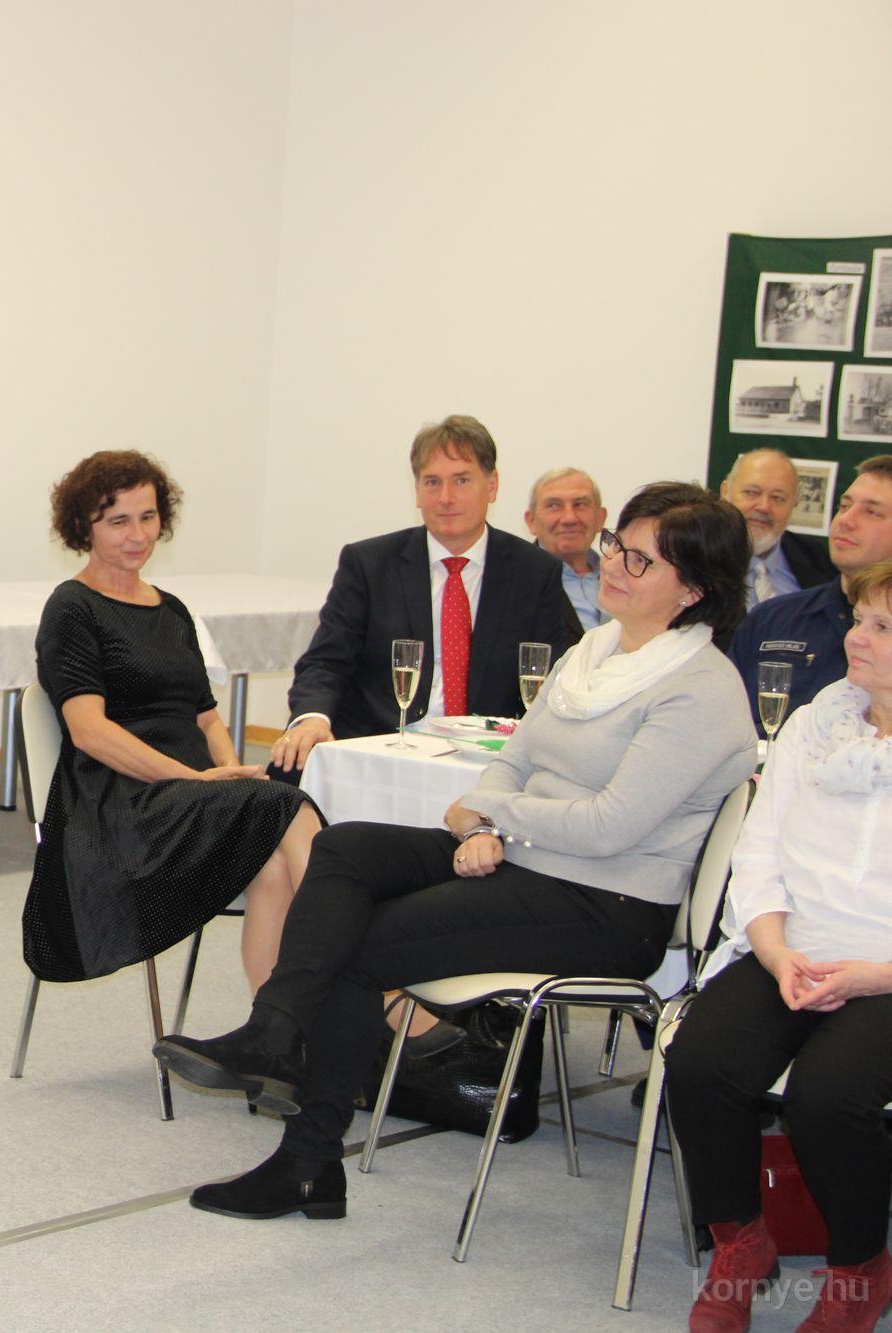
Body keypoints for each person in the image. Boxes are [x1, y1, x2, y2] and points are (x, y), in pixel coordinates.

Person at [153, 483, 755, 1224]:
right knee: (345, 848)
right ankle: (275, 1030)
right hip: (532, 860)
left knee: (357, 941)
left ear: (693, 590)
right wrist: (481, 823)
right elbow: (514, 757)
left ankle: (306, 1158)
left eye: (641, 559)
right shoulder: (594, 654)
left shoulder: (699, 689)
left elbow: (608, 827)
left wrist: (495, 817)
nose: (614, 565)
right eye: (617, 546)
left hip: (607, 903)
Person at [665, 558, 892, 1333]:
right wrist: (773, 950)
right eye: (859, 619)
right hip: (789, 947)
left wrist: (872, 975)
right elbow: (757, 854)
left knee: (827, 1096)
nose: (855, 636)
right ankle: (742, 1242)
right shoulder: (814, 724)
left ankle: (861, 1266)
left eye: (881, 627)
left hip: (887, 972)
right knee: (700, 1063)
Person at [24, 451, 323, 994]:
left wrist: (231, 773)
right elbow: (89, 731)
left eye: (148, 517)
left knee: (274, 850)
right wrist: (196, 780)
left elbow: (206, 718)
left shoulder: (172, 610)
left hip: (193, 796)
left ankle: (280, 1020)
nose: (138, 535)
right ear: (84, 528)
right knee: (289, 807)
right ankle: (378, 993)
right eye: (119, 521)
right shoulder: (72, 608)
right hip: (122, 805)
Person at [268, 415, 582, 777]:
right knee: (285, 771)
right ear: (416, 491)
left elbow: (553, 675)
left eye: (461, 480)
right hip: (380, 746)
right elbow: (325, 662)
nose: (446, 498)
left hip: (484, 758)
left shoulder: (533, 571)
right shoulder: (369, 564)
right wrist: (312, 718)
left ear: (492, 485)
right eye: (432, 482)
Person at [729, 456, 892, 725]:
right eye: (844, 506)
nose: (846, 520)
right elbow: (723, 725)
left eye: (872, 512)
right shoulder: (771, 619)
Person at [722, 447, 839, 608]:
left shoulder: (814, 558)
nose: (764, 507)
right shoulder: (696, 557)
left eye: (777, 498)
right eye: (751, 493)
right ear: (725, 492)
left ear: (794, 504)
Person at [524, 466, 609, 629]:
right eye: (554, 506)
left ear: (600, 518)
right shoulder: (513, 582)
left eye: (580, 504)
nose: (569, 518)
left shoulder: (624, 576)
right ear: (531, 521)